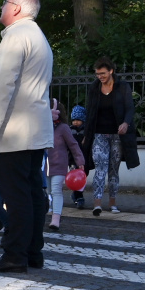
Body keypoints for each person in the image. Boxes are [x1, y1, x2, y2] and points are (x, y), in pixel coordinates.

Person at [0, 0, 54, 273]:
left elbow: (3, 87)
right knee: (33, 192)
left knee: (16, 194)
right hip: (34, 130)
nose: (2, 5)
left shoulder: (16, 36)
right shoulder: (38, 37)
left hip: (13, 131)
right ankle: (33, 252)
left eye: (6, 1)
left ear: (18, 9)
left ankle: (15, 255)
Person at [81, 59, 139, 216]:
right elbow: (90, 111)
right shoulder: (94, 88)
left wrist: (126, 123)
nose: (100, 76)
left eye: (103, 73)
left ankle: (112, 203)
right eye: (97, 74)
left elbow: (129, 108)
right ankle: (97, 204)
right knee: (100, 168)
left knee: (113, 170)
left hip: (117, 136)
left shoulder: (122, 87)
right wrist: (87, 135)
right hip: (99, 134)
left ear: (111, 71)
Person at [46, 99, 85, 231]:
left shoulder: (63, 128)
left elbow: (73, 145)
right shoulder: (42, 127)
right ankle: (47, 213)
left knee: (56, 191)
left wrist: (80, 161)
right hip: (44, 166)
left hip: (59, 166)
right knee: (47, 191)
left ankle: (55, 218)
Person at [68, 106, 87, 209]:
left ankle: (76, 194)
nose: (75, 122)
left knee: (83, 177)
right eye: (74, 120)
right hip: (72, 159)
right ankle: (79, 197)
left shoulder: (85, 131)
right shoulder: (70, 130)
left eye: (78, 120)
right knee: (75, 177)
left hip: (83, 158)